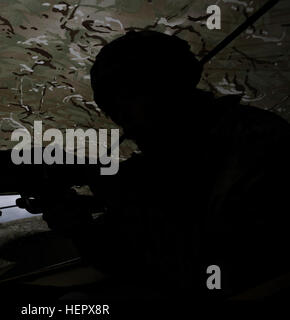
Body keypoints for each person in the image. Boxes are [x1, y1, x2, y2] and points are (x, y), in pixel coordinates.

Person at [25, 31, 290, 299]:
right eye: (111, 109)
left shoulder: (257, 143)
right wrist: (82, 229)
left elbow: (212, 275)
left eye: (129, 97)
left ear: (172, 85)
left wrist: (126, 202)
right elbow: (129, 262)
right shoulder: (163, 158)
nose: (122, 120)